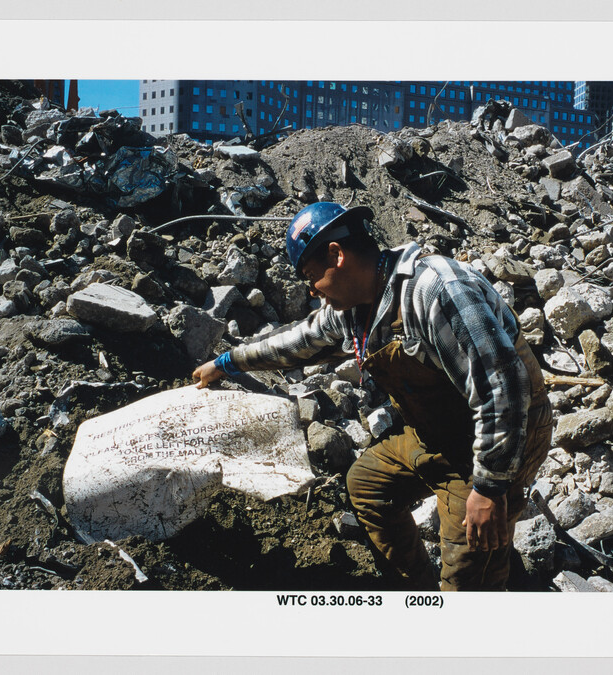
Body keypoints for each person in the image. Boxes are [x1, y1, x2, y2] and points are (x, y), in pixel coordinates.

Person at [192, 201, 552, 591]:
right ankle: (416, 595)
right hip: (439, 431)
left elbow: (504, 389)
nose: (312, 291)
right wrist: (228, 363)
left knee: (470, 570)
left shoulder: (435, 290)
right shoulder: (355, 306)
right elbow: (298, 341)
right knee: (366, 485)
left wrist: (489, 488)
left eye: (312, 277)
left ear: (336, 254)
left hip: (505, 436)